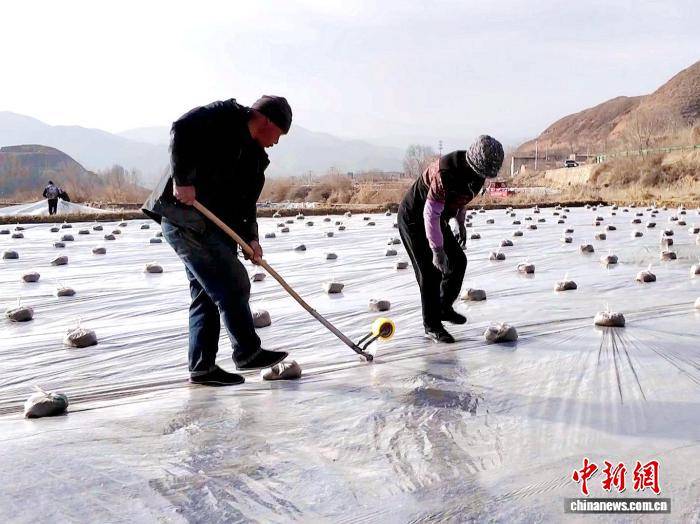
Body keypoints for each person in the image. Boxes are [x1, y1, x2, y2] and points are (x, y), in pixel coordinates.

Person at [142, 96, 292, 386]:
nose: (276, 142)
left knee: (206, 295)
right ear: (266, 121)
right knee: (233, 282)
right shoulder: (223, 117)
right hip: (184, 220)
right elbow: (181, 129)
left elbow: (245, 204)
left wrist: (251, 239)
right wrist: (182, 180)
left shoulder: (254, 158)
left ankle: (202, 368)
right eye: (279, 134)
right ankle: (247, 351)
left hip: (210, 227)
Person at [397, 135, 504, 343]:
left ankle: (444, 307)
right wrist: (437, 251)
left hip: (437, 219)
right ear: (473, 163)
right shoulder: (446, 173)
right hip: (414, 218)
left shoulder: (477, 175)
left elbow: (461, 199)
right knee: (430, 272)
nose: (484, 177)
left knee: (458, 261)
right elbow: (430, 214)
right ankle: (432, 325)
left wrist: (460, 223)